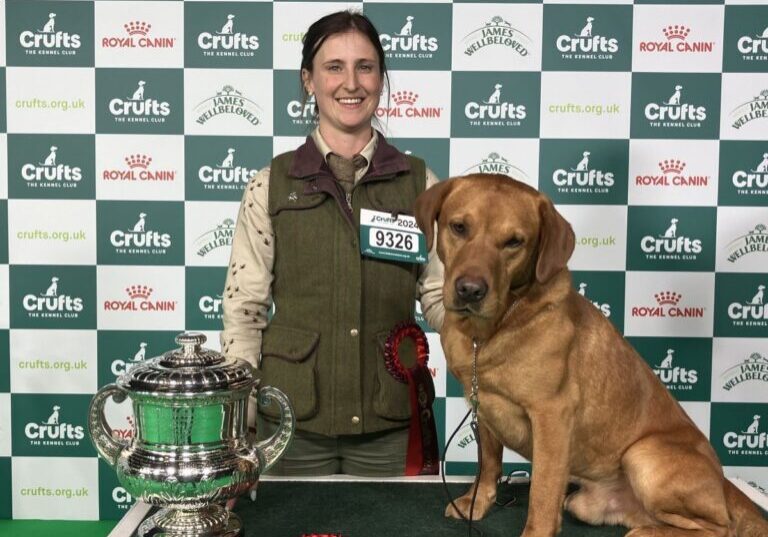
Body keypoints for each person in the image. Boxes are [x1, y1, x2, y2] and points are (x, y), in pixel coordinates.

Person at [221, 10, 444, 477]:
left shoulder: (420, 183)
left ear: (381, 79)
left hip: (391, 429)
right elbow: (245, 310)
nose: (352, 83)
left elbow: (441, 297)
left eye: (365, 66)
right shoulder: (270, 185)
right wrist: (238, 421)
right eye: (334, 67)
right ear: (309, 80)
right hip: (288, 426)